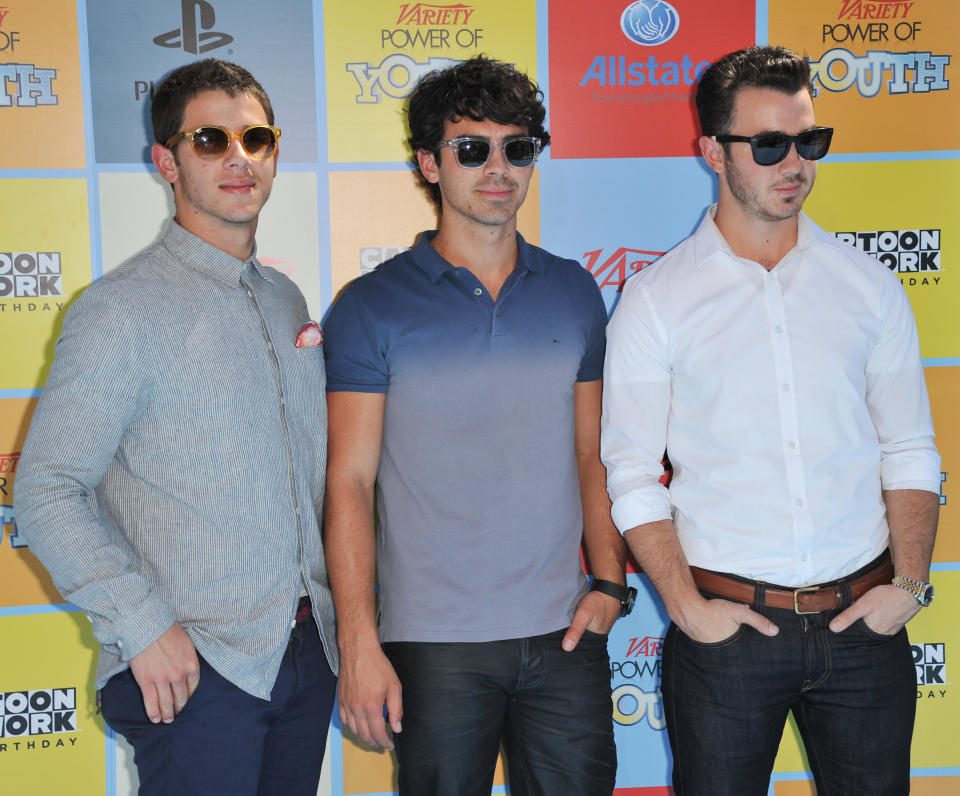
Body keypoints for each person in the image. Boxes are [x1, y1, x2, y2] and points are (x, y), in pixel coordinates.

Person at [601, 44, 940, 795]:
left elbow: (910, 449)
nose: (795, 163)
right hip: (726, 638)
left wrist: (910, 587)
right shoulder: (657, 299)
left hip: (865, 628)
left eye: (809, 140)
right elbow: (630, 470)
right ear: (711, 153)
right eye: (769, 144)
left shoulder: (870, 288)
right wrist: (687, 608)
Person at [14, 59, 338, 796]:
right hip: (195, 669)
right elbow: (46, 488)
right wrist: (143, 623)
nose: (238, 158)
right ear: (167, 161)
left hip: (305, 653)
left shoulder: (287, 299)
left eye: (256, 138)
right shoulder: (119, 310)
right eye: (209, 140)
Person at [322, 55, 627, 796]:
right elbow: (350, 483)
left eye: (517, 147)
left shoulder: (573, 291)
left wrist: (611, 585)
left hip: (564, 633)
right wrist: (359, 642)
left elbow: (593, 456)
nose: (498, 168)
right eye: (471, 148)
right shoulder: (371, 306)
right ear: (429, 163)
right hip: (432, 645)